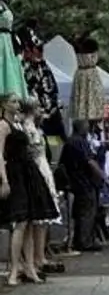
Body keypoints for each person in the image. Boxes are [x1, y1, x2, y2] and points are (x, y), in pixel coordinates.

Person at [1, 95, 60, 285]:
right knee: (19, 222)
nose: (17, 105)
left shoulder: (18, 124)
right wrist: (4, 180)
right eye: (13, 101)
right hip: (15, 173)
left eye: (18, 102)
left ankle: (30, 266)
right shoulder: (3, 126)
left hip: (27, 173)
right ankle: (15, 268)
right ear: (4, 105)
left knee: (29, 221)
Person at [59, 119, 106, 252]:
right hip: (83, 181)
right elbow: (89, 161)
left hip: (75, 181)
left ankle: (80, 239)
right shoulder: (79, 141)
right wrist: (102, 176)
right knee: (87, 211)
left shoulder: (70, 141)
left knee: (81, 211)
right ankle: (85, 241)